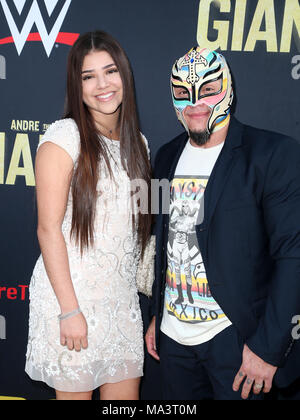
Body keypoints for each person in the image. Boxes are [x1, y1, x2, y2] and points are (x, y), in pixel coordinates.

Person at [145, 46, 300, 400]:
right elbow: (162, 242)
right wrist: (158, 312)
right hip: (173, 342)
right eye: (184, 93)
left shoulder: (273, 154)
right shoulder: (165, 156)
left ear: (229, 87)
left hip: (236, 343)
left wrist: (268, 347)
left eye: (208, 90)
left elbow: (293, 256)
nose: (196, 103)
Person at [25, 30, 152, 400]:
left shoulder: (139, 145)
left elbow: (139, 237)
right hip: (72, 302)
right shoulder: (63, 138)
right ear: (76, 86)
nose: (102, 84)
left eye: (110, 72)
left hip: (122, 307)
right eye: (88, 76)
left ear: (124, 76)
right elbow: (48, 230)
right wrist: (69, 311)